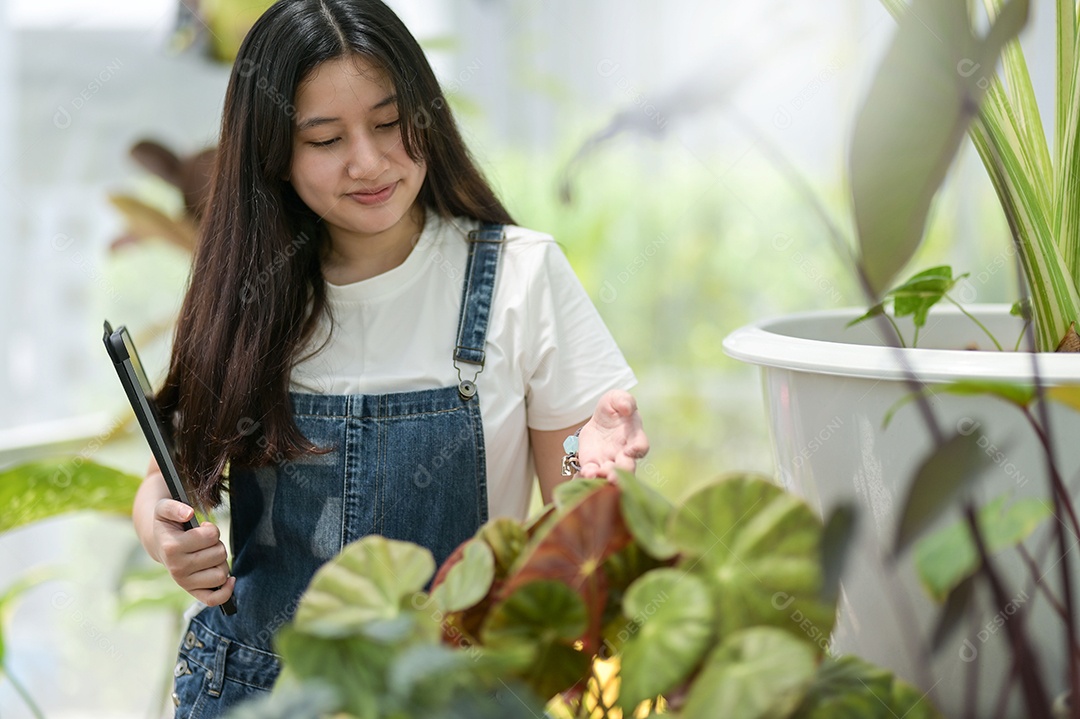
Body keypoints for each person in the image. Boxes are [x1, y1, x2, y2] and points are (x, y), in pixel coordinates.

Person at [131, 0, 648, 716]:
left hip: (454, 693)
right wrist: (164, 532)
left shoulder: (519, 276)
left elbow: (575, 519)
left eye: (387, 123)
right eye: (325, 138)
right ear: (274, 154)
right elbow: (169, 477)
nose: (369, 161)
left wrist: (590, 463)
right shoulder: (248, 290)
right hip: (257, 690)